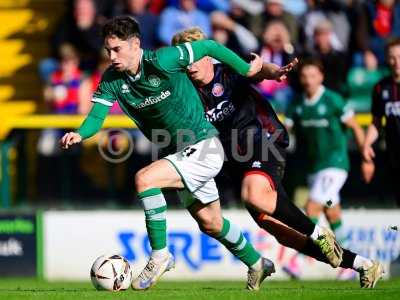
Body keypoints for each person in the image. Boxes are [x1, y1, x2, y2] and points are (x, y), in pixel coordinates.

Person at [60, 16, 275, 291]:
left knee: (145, 179)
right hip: (178, 153)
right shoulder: (112, 79)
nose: (111, 56)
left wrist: (245, 69)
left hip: (203, 146)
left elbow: (209, 46)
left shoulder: (164, 59)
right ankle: (258, 263)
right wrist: (80, 133)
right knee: (211, 223)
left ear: (135, 44)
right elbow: (97, 115)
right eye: (107, 50)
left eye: (117, 49)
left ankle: (160, 255)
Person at [172, 27, 384, 288]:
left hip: (265, 140)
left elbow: (258, 68)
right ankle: (363, 264)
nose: (189, 65)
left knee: (254, 195)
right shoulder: (186, 91)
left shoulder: (227, 71)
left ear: (207, 55)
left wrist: (276, 71)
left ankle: (319, 232)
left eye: (194, 57)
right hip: (235, 160)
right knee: (281, 231)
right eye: (184, 60)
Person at [285, 59, 366, 250]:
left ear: (321, 77)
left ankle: (302, 257)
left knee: (311, 208)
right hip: (314, 166)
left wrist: (366, 158)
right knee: (332, 213)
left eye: (313, 76)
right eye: (304, 76)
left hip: (335, 164)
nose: (308, 80)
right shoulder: (296, 104)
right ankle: (350, 259)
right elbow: (285, 131)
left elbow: (355, 126)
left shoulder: (333, 100)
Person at [362, 38, 400, 206]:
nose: (396, 62)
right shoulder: (380, 87)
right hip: (395, 154)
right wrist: (367, 144)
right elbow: (376, 122)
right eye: (392, 57)